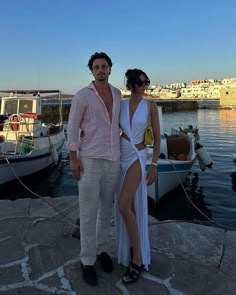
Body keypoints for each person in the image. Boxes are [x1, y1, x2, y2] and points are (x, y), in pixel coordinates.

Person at [67, 52, 121, 286]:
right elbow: (71, 128)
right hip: (89, 160)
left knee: (106, 211)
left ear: (110, 69)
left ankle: (103, 251)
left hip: (113, 160)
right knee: (88, 213)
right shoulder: (82, 96)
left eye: (104, 66)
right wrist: (73, 159)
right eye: (97, 67)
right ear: (91, 71)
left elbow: (120, 125)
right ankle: (87, 260)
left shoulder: (118, 94)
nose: (101, 70)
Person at [116, 69, 160, 284]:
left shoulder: (151, 106)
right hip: (120, 156)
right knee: (130, 208)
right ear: (131, 84)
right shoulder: (121, 105)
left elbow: (158, 140)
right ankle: (134, 247)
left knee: (123, 206)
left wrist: (153, 165)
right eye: (141, 83)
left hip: (137, 156)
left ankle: (138, 259)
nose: (144, 87)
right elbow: (114, 129)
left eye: (146, 83)